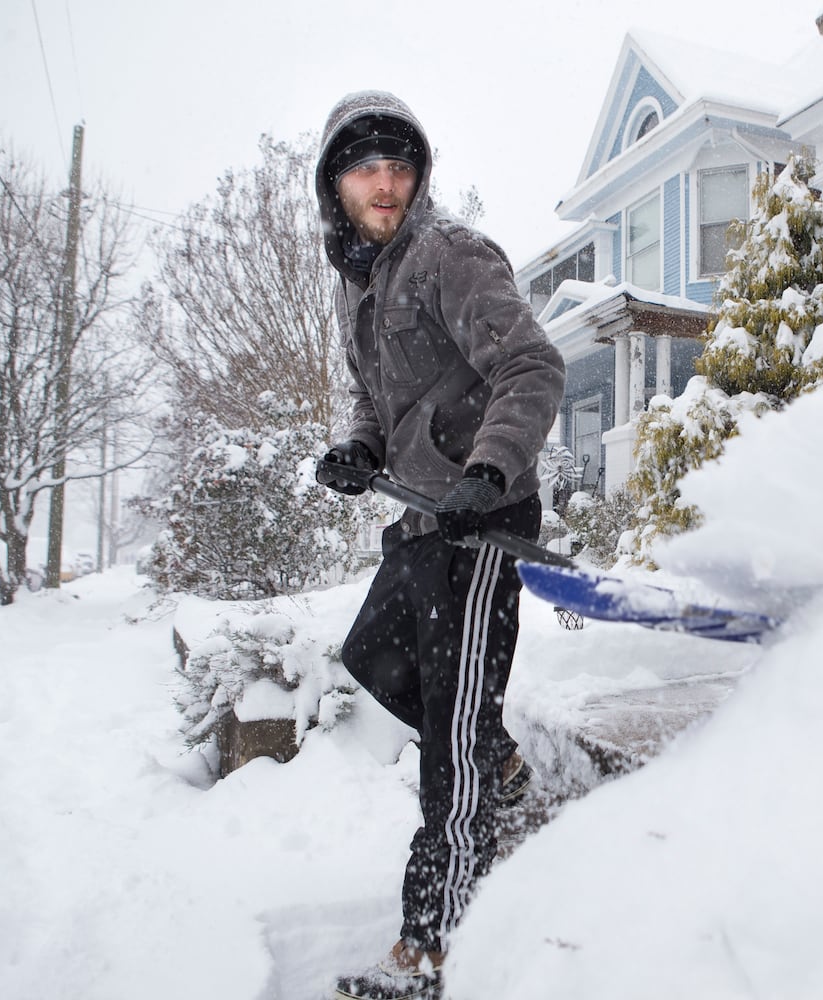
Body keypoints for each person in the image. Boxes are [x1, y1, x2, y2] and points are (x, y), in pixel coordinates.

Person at [312, 90, 565, 1000]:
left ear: (419, 176)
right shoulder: (364, 281)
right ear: (334, 185)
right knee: (374, 655)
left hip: (484, 519)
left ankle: (433, 943)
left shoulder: (448, 255)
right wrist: (359, 448)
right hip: (423, 514)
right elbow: (377, 403)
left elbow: (532, 366)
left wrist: (490, 472)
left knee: (447, 741)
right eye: (364, 167)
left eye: (399, 165)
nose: (385, 183)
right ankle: (495, 761)